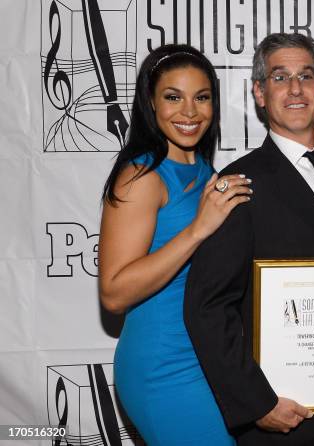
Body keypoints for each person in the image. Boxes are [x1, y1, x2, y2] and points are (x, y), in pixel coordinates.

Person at [184, 33, 314, 445]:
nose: (296, 89)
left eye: (306, 76)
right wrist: (257, 403)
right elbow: (207, 308)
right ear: (259, 93)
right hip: (287, 421)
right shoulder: (236, 185)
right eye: (280, 78)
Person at [98, 44, 252, 445]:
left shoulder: (209, 173)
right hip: (164, 365)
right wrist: (198, 229)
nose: (189, 112)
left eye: (201, 98)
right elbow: (114, 293)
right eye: (173, 97)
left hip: (211, 361)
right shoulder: (141, 177)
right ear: (150, 102)